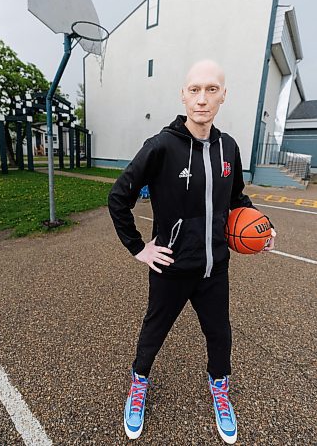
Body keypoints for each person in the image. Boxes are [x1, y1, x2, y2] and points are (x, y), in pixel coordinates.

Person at [108, 59, 276, 444]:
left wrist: (262, 225)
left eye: (211, 90)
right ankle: (139, 384)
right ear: (183, 94)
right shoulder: (161, 146)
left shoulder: (229, 147)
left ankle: (219, 388)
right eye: (195, 90)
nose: (202, 99)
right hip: (171, 267)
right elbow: (119, 197)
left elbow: (237, 200)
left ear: (223, 95)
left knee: (220, 334)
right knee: (154, 331)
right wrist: (138, 248)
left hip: (214, 268)